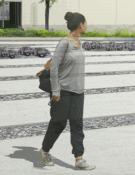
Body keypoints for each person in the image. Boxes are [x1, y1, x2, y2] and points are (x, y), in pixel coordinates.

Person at [38, 12, 95, 170]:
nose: (87, 26)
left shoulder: (79, 42)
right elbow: (54, 67)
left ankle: (79, 158)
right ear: (80, 25)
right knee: (58, 123)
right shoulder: (64, 43)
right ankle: (44, 151)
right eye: (85, 23)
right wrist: (55, 90)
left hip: (78, 91)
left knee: (77, 125)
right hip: (62, 91)